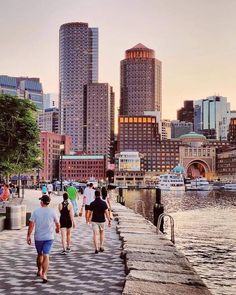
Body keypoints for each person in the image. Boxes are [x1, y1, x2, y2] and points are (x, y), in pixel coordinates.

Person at [27, 195, 60, 284]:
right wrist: (57, 229)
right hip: (49, 237)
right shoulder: (52, 211)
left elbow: (31, 225)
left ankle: (40, 271)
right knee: (46, 254)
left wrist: (28, 236)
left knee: (40, 254)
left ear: (42, 202)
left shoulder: (36, 212)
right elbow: (57, 223)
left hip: (39, 237)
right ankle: (44, 274)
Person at [89, 190, 111, 254]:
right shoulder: (104, 203)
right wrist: (109, 221)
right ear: (100, 195)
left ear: (95, 195)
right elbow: (107, 213)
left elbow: (90, 213)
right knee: (102, 234)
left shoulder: (92, 203)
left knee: (95, 235)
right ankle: (101, 246)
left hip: (94, 221)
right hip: (102, 221)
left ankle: (96, 248)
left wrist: (88, 220)